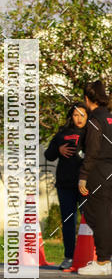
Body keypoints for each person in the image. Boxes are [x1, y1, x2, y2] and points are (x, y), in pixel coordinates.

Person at [44, 102, 88, 269]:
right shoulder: (63, 134)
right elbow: (48, 155)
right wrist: (58, 149)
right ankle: (69, 256)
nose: (79, 118)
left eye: (82, 115)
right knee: (68, 221)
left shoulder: (91, 133)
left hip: (85, 185)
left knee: (89, 221)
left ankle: (91, 257)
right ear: (71, 116)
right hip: (65, 184)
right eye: (76, 115)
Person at [77, 80, 112, 276]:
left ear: (87, 99)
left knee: (95, 214)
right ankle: (106, 259)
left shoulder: (94, 120)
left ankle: (103, 261)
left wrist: (83, 176)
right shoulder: (110, 118)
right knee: (106, 214)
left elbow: (92, 151)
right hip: (109, 170)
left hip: (98, 171)